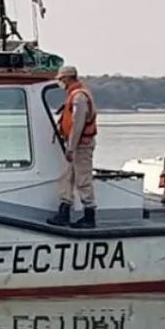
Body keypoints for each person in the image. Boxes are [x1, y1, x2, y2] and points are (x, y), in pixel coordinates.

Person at [47, 65, 99, 229]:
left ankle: (89, 216)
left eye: (61, 79)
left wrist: (71, 147)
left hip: (81, 146)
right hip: (75, 145)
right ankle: (64, 211)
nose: (60, 83)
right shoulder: (75, 95)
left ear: (68, 78)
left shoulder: (79, 97)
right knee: (66, 178)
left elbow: (78, 125)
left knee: (83, 179)